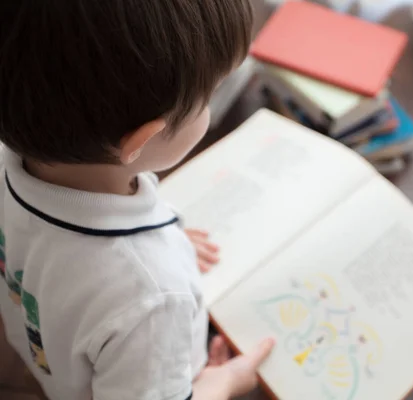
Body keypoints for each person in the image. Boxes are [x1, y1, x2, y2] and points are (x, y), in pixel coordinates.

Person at [0, 1, 274, 399]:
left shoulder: (12, 158)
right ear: (141, 141)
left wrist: (168, 244)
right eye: (209, 96)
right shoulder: (152, 297)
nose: (210, 109)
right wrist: (223, 385)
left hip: (43, 354)